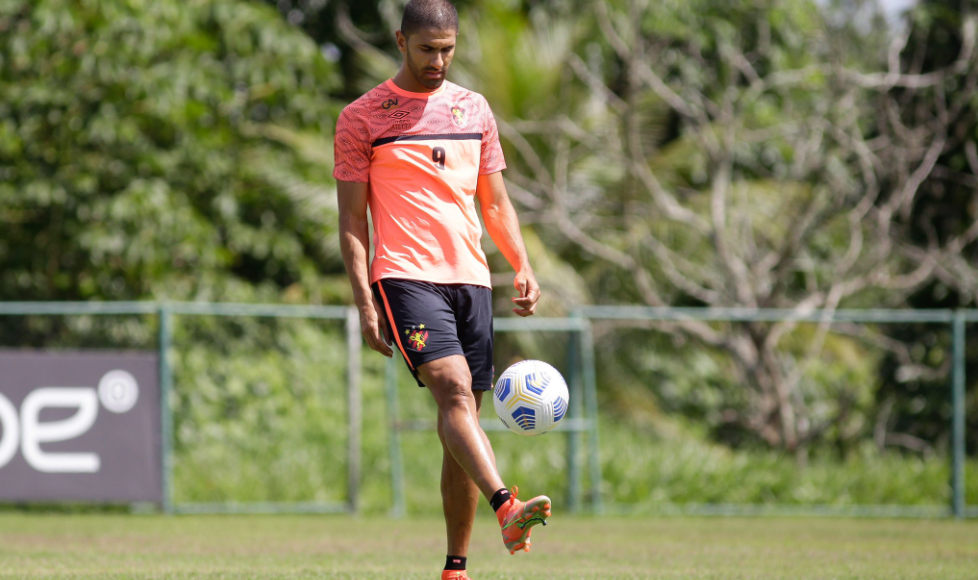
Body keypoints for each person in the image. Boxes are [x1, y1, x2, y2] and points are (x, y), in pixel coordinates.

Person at [334, 1, 551, 578]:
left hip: (471, 278)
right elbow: (353, 222)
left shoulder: (473, 109)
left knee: (464, 420)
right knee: (453, 391)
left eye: (448, 49)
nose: (439, 60)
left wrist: (521, 263)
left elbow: (495, 201)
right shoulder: (362, 117)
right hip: (404, 275)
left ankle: (455, 567)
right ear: (401, 41)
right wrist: (364, 302)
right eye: (427, 49)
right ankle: (508, 506)